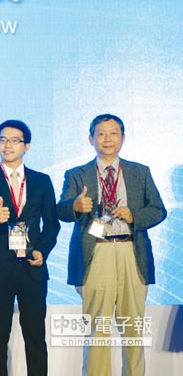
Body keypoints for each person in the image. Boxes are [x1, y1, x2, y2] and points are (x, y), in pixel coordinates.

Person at [57, 114, 166, 376]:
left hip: (131, 252)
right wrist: (75, 206)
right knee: (98, 328)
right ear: (90, 139)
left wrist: (134, 215)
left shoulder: (140, 172)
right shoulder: (77, 174)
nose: (108, 139)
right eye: (101, 133)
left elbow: (158, 210)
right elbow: (60, 210)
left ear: (123, 138)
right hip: (96, 252)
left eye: (114, 133)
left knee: (133, 329)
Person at [0, 120, 60, 376]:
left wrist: (42, 251)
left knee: (36, 338)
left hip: (33, 268)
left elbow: (52, 224)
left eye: (14, 140)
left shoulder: (41, 181)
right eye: (2, 140)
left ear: (26, 146)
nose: (7, 145)